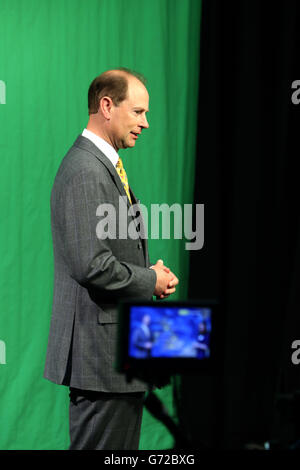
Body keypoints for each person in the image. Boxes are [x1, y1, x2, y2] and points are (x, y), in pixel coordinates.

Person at [44, 68, 179, 450]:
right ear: (107, 105)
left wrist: (148, 273)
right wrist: (148, 281)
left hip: (114, 360)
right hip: (100, 362)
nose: (146, 123)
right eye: (138, 112)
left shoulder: (103, 166)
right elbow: (91, 264)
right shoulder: (86, 170)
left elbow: (106, 253)